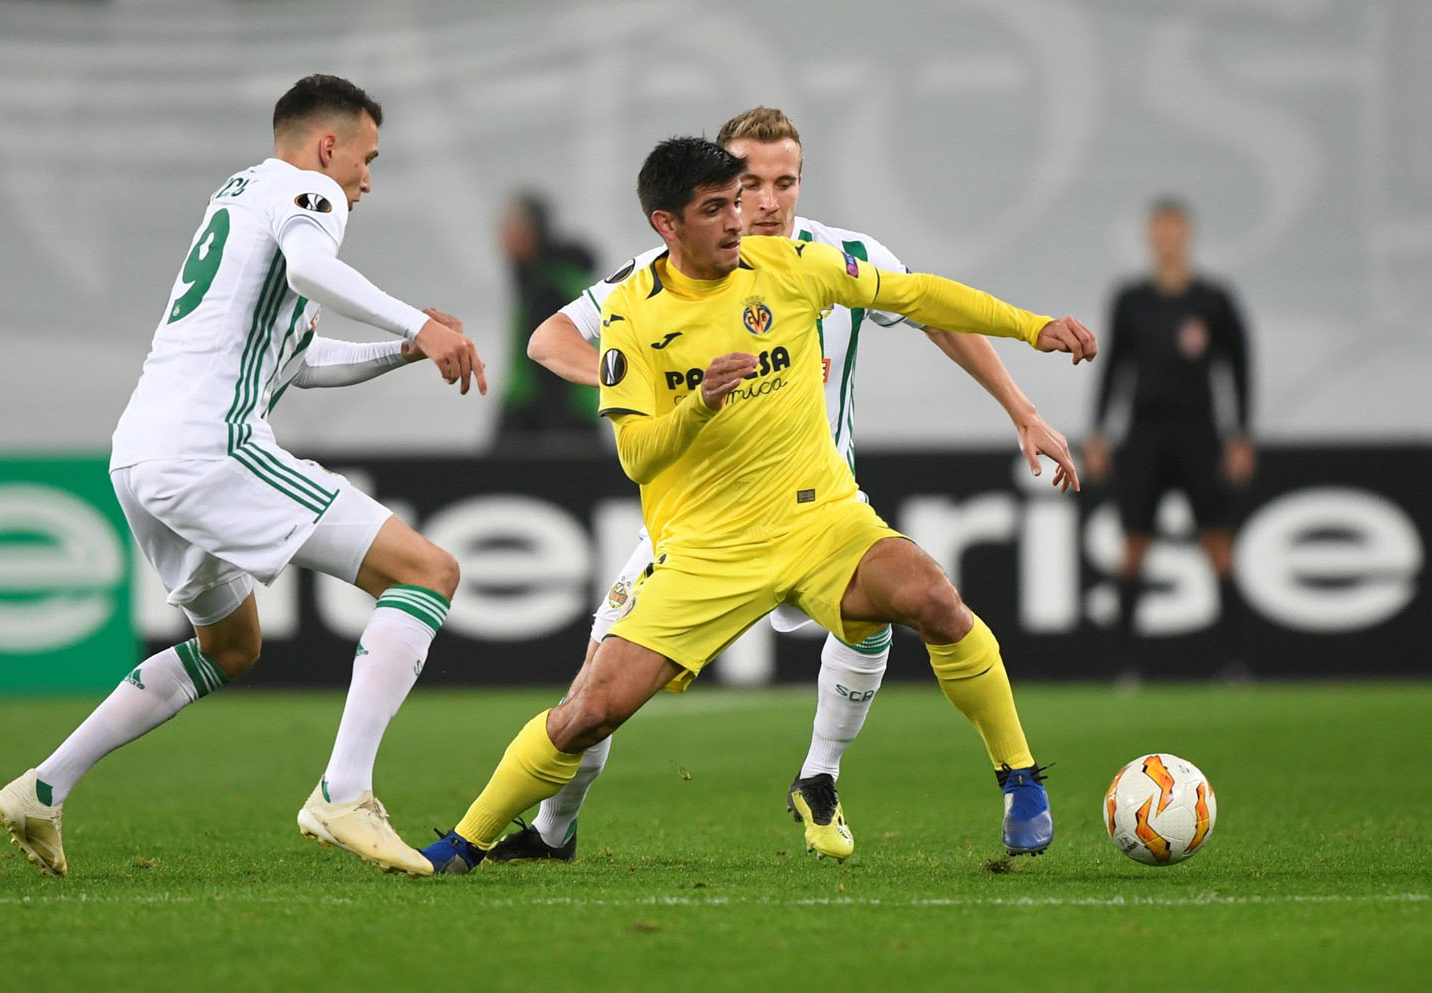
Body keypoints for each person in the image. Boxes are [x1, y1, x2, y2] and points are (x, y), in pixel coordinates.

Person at [417, 137, 1096, 875]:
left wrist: (1032, 327)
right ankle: (466, 841)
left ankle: (1018, 776)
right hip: (710, 547)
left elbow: (919, 295)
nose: (739, 219)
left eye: (737, 201)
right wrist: (699, 403)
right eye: (716, 208)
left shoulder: (789, 265)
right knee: (590, 709)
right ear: (666, 225)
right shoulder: (631, 315)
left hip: (820, 520)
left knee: (932, 595)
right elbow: (637, 454)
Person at [0, 74, 486, 878]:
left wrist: (400, 349)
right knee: (429, 571)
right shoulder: (306, 192)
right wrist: (417, 322)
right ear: (329, 146)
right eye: (367, 157)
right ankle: (343, 792)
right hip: (207, 447)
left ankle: (43, 787)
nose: (367, 179)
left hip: (141, 453)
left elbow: (301, 362)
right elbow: (313, 276)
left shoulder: (243, 198)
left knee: (229, 643)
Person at [1084, 198, 1253, 665]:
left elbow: (1238, 368)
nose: (1167, 240)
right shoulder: (1131, 300)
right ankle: (1124, 666)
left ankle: (1234, 663)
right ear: (1149, 238)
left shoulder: (1213, 300)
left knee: (1217, 543)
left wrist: (1240, 435)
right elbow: (1113, 368)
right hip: (1144, 433)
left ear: (1188, 236)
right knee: (1134, 544)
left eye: (1175, 231)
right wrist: (1098, 432)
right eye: (1159, 232)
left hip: (1199, 431)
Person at [493, 192, 600, 451]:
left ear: (533, 232)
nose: (503, 239)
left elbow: (551, 363)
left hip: (543, 420)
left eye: (511, 229)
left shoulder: (547, 287)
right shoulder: (555, 276)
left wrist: (554, 436)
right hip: (573, 414)